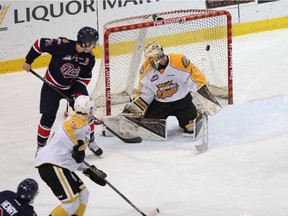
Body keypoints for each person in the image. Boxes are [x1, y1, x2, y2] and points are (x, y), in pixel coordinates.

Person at [22, 26, 102, 156]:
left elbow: (84, 78)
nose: (94, 46)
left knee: (87, 111)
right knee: (47, 118)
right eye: (92, 42)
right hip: (51, 86)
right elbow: (39, 44)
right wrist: (28, 61)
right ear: (84, 42)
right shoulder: (62, 45)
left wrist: (78, 94)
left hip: (72, 87)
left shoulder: (89, 58)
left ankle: (91, 141)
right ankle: (41, 148)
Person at [35, 95, 107, 216]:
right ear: (87, 109)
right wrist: (77, 146)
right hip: (52, 165)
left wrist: (89, 170)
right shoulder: (76, 121)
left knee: (83, 194)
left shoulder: (83, 125)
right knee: (71, 203)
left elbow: (73, 155)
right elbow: (68, 130)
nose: (93, 111)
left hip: (60, 164)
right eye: (91, 108)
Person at [122, 41, 208, 137]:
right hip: (160, 104)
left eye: (152, 59)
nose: (150, 62)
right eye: (149, 59)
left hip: (183, 102)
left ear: (159, 55)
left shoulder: (179, 61)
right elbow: (146, 92)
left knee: (191, 128)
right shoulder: (146, 69)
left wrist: (203, 96)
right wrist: (136, 107)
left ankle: (193, 114)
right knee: (149, 129)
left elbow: (195, 78)